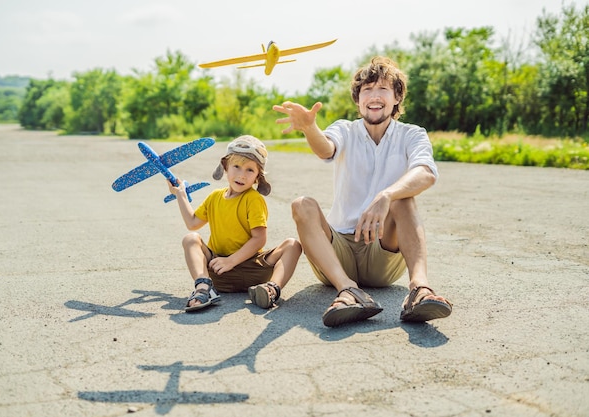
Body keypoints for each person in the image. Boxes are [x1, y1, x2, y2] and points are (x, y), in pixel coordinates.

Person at [273, 56, 452, 327]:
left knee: (404, 200)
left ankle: (419, 290)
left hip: (382, 252)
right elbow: (326, 148)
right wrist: (310, 128)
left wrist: (386, 196)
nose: (374, 95)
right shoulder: (345, 129)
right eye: (367, 90)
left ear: (396, 98)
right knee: (302, 204)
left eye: (383, 89)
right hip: (337, 254)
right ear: (358, 100)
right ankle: (348, 291)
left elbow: (426, 172)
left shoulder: (412, 134)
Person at [166, 135, 302, 312]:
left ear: (257, 178)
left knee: (293, 245)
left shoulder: (253, 199)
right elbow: (193, 223)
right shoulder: (214, 197)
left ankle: (271, 289)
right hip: (218, 269)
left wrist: (232, 261)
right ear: (225, 167)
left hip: (253, 268)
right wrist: (180, 195)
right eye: (236, 166)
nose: (241, 175)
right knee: (191, 238)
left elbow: (259, 239)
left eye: (249, 170)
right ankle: (203, 287)